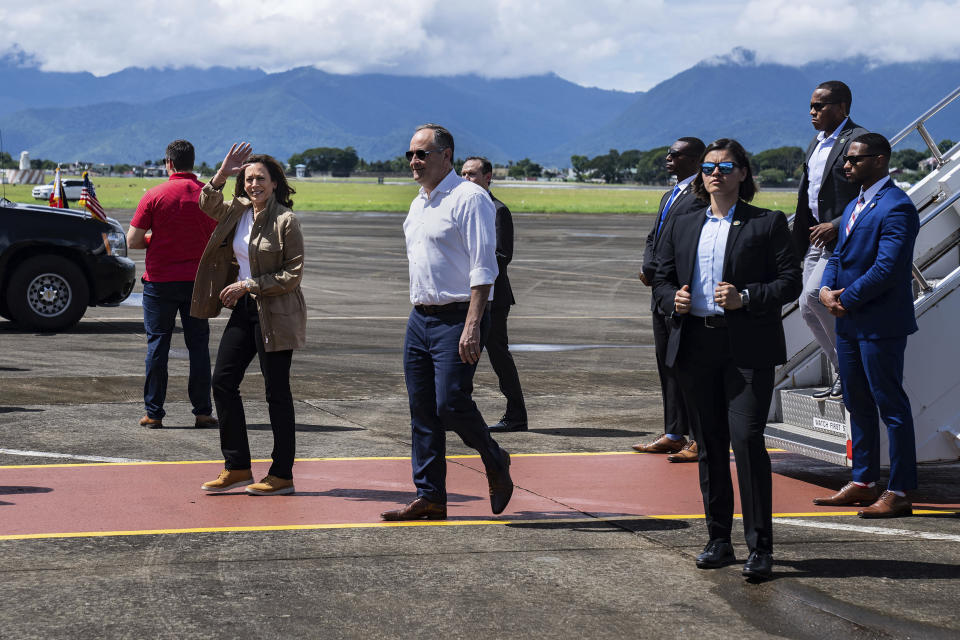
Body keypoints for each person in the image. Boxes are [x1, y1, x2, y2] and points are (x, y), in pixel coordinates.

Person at [652, 138, 801, 580]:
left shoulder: (768, 223)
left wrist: (748, 297)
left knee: (747, 442)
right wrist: (670, 299)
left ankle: (760, 547)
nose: (716, 173)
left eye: (726, 166)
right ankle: (719, 539)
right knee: (710, 445)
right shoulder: (683, 224)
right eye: (709, 167)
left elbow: (790, 282)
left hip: (745, 349)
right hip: (695, 345)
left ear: (742, 174)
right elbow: (661, 277)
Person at [381, 124, 513, 521]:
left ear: (447, 156)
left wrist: (474, 323)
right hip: (420, 317)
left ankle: (494, 457)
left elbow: (483, 267)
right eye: (410, 155)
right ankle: (431, 495)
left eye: (422, 154)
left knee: (450, 403)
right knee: (421, 410)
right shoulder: (419, 203)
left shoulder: (469, 198)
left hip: (458, 317)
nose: (414, 162)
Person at [814, 133, 919, 518]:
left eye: (854, 160)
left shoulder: (897, 207)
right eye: (846, 160)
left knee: (891, 405)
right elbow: (838, 253)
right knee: (857, 402)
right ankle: (862, 481)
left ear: (879, 161)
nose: (846, 166)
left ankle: (901, 489)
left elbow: (889, 268)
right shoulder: (857, 203)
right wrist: (826, 289)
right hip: (849, 322)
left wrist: (845, 298)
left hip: (879, 323)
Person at [195, 143, 307, 496]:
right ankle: (238, 467)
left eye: (261, 178)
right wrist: (224, 171)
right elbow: (206, 202)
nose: (253, 184)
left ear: (275, 183)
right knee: (222, 381)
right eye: (248, 179)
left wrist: (248, 284)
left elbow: (292, 274)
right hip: (245, 311)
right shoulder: (237, 212)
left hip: (276, 312)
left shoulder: (285, 221)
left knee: (277, 392)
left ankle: (281, 474)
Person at [127, 139, 218, 429]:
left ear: (168, 163)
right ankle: (203, 411)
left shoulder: (154, 195)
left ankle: (154, 412)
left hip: (160, 282)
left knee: (157, 347)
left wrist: (159, 239)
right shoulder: (207, 195)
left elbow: (133, 240)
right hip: (197, 282)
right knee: (199, 347)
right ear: (194, 162)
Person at [793, 81, 868, 400]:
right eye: (811, 106)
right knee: (805, 307)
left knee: (814, 295)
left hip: (842, 237)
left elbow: (870, 194)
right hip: (814, 238)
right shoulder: (816, 142)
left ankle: (852, 370)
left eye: (819, 106)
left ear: (842, 108)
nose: (812, 111)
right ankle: (844, 370)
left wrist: (836, 224)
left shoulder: (858, 140)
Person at [633, 137, 706, 462]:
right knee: (667, 365)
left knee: (688, 367)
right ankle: (674, 432)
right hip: (659, 290)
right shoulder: (670, 194)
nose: (668, 159)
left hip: (680, 291)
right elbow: (654, 236)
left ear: (695, 159)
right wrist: (648, 268)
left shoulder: (700, 194)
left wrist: (667, 275)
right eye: (668, 153)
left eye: (675, 155)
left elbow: (690, 242)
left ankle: (699, 439)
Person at [460, 156, 528, 432]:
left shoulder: (498, 210)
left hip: (494, 298)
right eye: (463, 174)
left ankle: (516, 415)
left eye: (472, 174)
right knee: (463, 357)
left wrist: (468, 265)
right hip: (466, 296)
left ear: (488, 177)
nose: (466, 179)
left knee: (498, 357)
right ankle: (458, 412)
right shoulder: (464, 207)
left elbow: (502, 255)